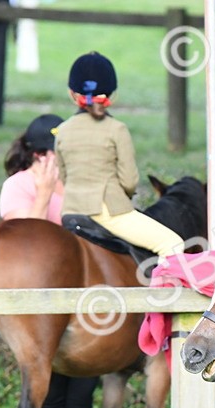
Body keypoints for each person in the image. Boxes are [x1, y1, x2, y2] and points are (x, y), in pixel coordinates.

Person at [0, 113, 97, 408]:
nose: (50, 161)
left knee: (81, 392)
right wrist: (42, 194)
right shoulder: (17, 187)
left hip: (83, 300)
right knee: (51, 393)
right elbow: (24, 243)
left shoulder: (76, 185)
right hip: (40, 307)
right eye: (43, 154)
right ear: (33, 154)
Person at [53, 52, 184, 259]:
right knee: (173, 244)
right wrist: (124, 197)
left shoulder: (62, 130)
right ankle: (164, 292)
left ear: (72, 93)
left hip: (70, 212)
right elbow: (129, 181)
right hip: (108, 212)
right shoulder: (117, 129)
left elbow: (64, 176)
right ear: (112, 95)